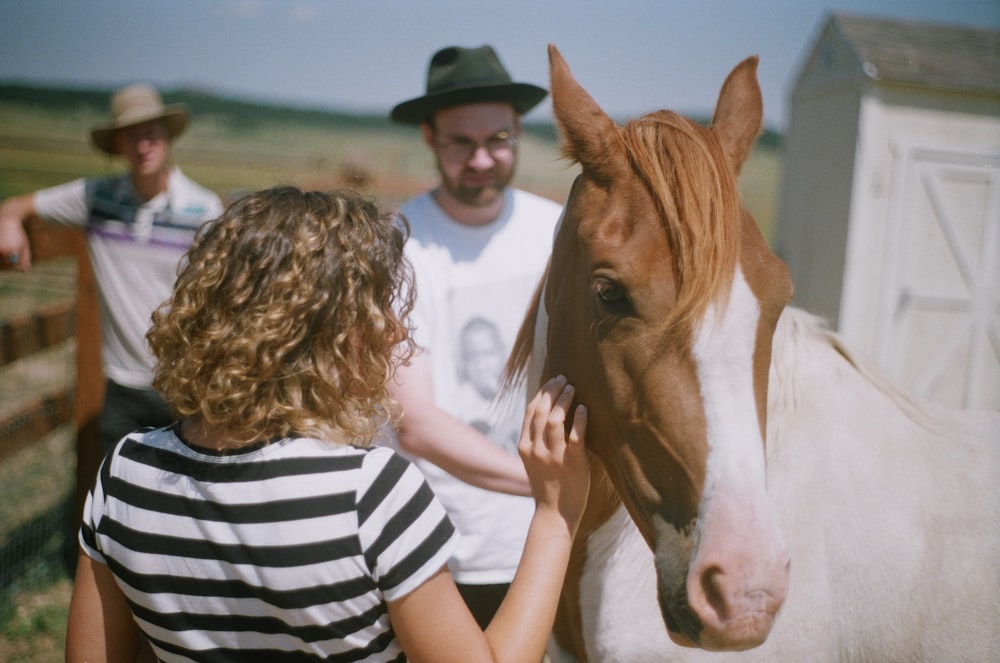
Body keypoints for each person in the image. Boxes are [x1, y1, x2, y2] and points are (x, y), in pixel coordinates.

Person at [64, 186, 590, 663]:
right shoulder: (371, 495)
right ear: (328, 329)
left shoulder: (125, 475)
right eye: (378, 307)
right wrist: (554, 513)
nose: (395, 332)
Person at [386, 44, 564, 627]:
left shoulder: (558, 231)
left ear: (517, 132)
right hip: (435, 547)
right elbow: (416, 423)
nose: (483, 159)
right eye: (462, 142)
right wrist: (553, 486)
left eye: (499, 139)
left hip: (544, 538)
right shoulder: (398, 246)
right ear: (429, 138)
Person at [0, 83, 224, 456]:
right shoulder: (96, 197)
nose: (143, 146)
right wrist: (9, 222)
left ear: (167, 139)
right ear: (119, 144)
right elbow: (18, 205)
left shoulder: (202, 210)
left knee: (177, 504)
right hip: (121, 387)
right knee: (113, 502)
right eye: (132, 136)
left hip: (183, 384)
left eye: (151, 134)